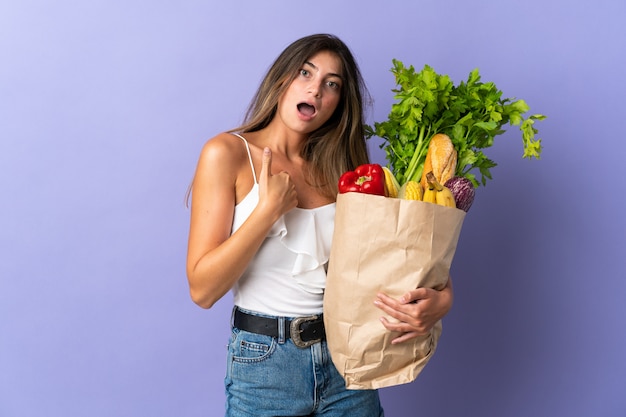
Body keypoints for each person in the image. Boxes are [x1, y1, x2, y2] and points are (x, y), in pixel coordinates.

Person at [186, 33, 454, 417]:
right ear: (282, 80)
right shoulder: (227, 153)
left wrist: (442, 300)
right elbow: (202, 289)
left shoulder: (345, 171)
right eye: (305, 73)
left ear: (338, 104)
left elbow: (400, 257)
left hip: (348, 359)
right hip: (266, 368)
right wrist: (266, 212)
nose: (316, 89)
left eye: (332, 84)